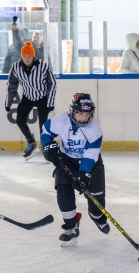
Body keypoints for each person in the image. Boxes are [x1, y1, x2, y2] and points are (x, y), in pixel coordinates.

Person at [41, 93, 109, 247]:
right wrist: (48, 146)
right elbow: (46, 131)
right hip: (66, 161)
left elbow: (91, 154)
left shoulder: (95, 129)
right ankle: (71, 227)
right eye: (80, 113)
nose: (83, 117)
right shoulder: (61, 120)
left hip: (91, 164)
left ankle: (96, 217)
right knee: (63, 191)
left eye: (87, 113)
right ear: (72, 111)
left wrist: (84, 174)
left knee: (97, 204)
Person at [5, 41, 57, 161]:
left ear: (33, 56)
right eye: (24, 56)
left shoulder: (43, 66)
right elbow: (12, 85)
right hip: (27, 96)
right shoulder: (16, 67)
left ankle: (45, 147)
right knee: (19, 120)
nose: (27, 58)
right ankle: (31, 142)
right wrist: (8, 103)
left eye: (29, 56)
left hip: (42, 97)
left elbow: (52, 84)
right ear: (21, 56)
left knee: (43, 125)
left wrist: (50, 103)